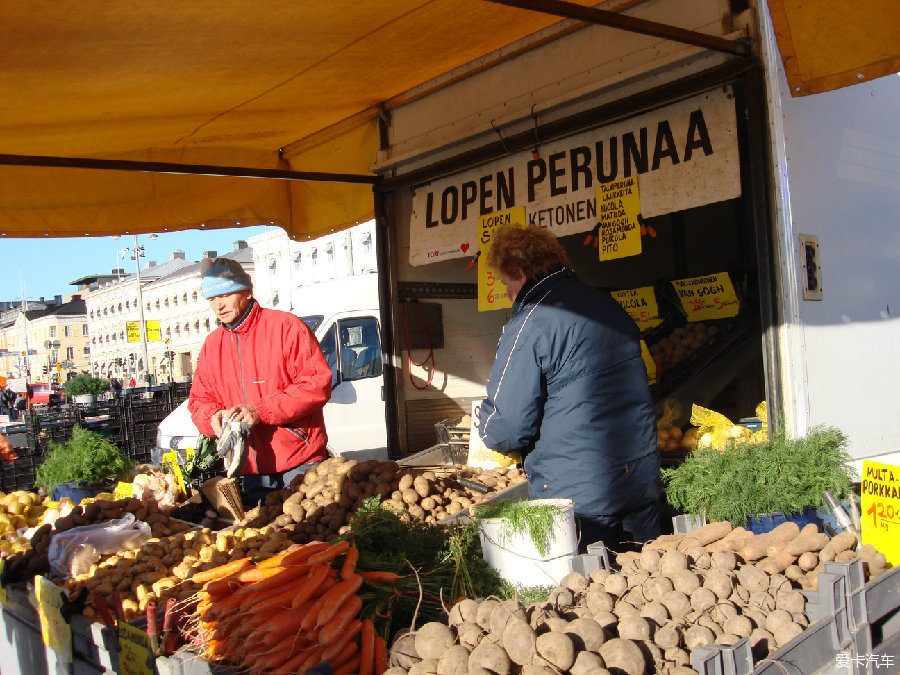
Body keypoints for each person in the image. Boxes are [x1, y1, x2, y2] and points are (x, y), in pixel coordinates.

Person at [477, 224, 662, 554]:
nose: (508, 294)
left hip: (580, 498)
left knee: (591, 596)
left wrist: (486, 428)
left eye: (506, 284)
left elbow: (507, 428)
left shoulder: (531, 323)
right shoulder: (608, 307)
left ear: (519, 272)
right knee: (645, 584)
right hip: (640, 481)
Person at [188, 257, 333, 505]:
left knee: (311, 537)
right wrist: (214, 418)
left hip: (300, 463)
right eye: (211, 299)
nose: (218, 306)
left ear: (247, 291)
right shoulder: (213, 345)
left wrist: (261, 411)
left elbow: (316, 384)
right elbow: (199, 401)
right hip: (250, 471)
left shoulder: (287, 327)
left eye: (225, 295)